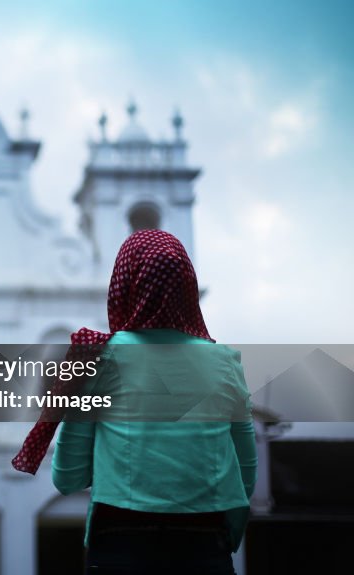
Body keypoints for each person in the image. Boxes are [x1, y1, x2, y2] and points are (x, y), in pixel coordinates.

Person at [13, 229, 258, 574]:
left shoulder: (101, 357)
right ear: (187, 288)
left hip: (120, 546)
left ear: (125, 285)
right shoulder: (225, 363)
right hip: (205, 546)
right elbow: (245, 475)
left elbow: (68, 477)